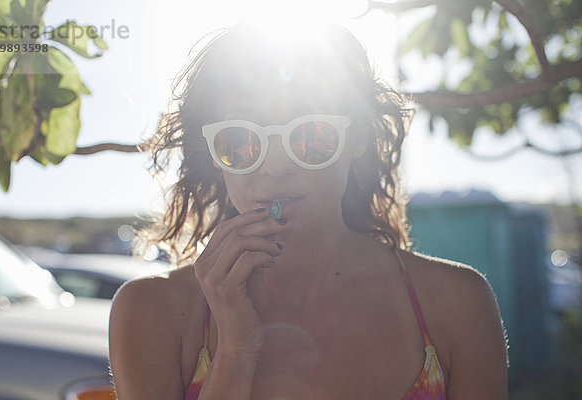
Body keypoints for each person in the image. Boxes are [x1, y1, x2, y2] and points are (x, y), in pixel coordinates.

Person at [109, 18, 508, 400]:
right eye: (241, 140)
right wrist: (234, 350)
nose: (277, 166)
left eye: (312, 135)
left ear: (356, 140)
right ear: (213, 155)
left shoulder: (456, 302)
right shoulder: (151, 312)